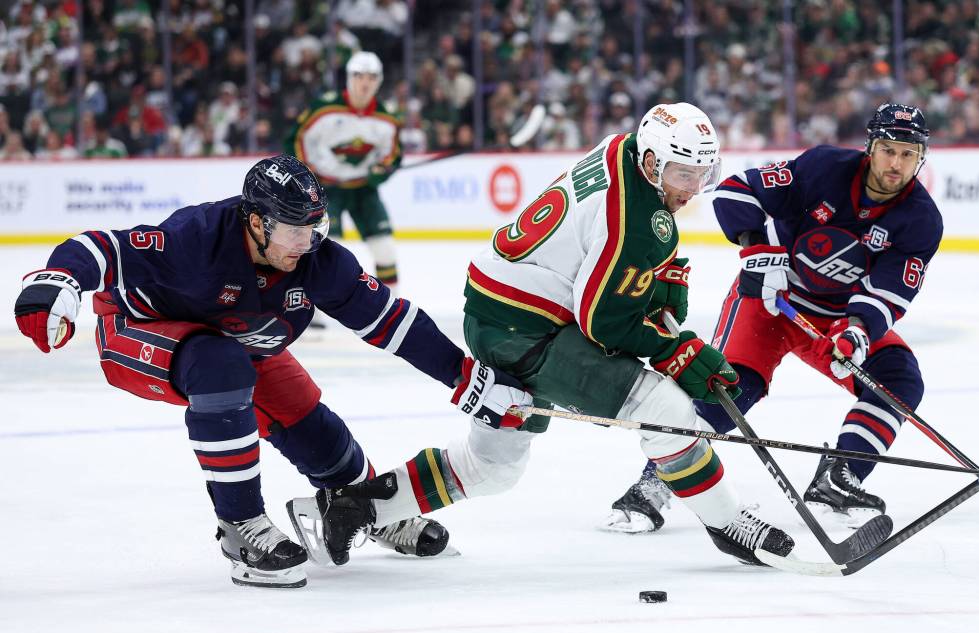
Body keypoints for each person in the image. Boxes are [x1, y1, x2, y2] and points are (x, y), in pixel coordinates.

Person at [13, 155, 530, 589]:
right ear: (256, 222)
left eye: (316, 227)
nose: (307, 242)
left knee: (310, 420)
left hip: (230, 344)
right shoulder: (196, 240)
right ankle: (240, 524)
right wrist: (56, 280)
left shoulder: (318, 261)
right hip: (135, 330)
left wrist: (464, 376)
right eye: (294, 229)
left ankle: (357, 506)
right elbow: (104, 246)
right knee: (222, 368)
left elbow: (392, 322)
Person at [321, 103, 796, 568]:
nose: (693, 188)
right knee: (664, 407)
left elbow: (597, 250)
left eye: (702, 174)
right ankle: (730, 523)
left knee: (494, 465)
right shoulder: (636, 222)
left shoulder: (620, 149)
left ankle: (359, 509)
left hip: (496, 312)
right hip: (530, 329)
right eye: (682, 174)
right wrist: (674, 350)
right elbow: (604, 322)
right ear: (651, 162)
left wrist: (653, 274)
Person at [608, 102, 940, 530]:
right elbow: (733, 191)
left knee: (899, 379)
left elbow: (890, 290)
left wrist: (857, 331)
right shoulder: (824, 168)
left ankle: (841, 477)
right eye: (888, 150)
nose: (896, 163)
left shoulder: (921, 220)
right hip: (767, 299)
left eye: (907, 154)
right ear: (870, 147)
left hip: (831, 319)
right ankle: (650, 487)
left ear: (921, 159)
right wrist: (759, 251)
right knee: (729, 393)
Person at [285, 51, 403, 293]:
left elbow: (392, 154)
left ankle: (392, 305)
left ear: (379, 81)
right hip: (326, 189)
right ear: (349, 78)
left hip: (363, 190)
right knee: (324, 248)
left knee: (385, 247)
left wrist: (381, 170)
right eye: (359, 75)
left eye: (372, 77)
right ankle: (311, 307)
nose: (365, 82)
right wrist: (306, 175)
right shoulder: (324, 108)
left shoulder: (386, 118)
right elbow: (295, 138)